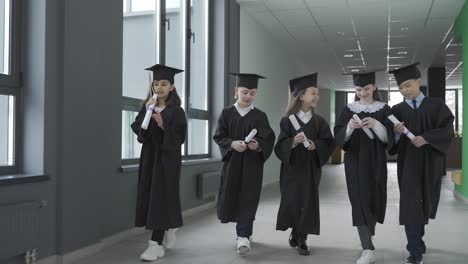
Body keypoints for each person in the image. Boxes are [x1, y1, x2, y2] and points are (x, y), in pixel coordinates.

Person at [389, 63, 454, 264]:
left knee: (425, 203)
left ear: (419, 82)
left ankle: (418, 240)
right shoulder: (397, 110)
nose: (404, 90)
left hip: (431, 163)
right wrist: (397, 134)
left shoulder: (437, 105)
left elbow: (447, 131)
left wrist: (426, 138)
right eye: (400, 87)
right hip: (408, 163)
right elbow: (393, 144)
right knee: (410, 205)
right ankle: (414, 250)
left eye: (408, 85)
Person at [213, 73, 275, 256]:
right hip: (232, 163)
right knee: (232, 196)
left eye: (252, 93)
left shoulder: (260, 116)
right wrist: (231, 144)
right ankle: (243, 233)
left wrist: (258, 146)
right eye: (245, 92)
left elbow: (268, 139)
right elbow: (219, 136)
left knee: (249, 197)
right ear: (236, 91)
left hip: (251, 165)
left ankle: (244, 235)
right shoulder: (226, 113)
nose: (248, 96)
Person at [334, 70, 392, 264]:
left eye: (366, 89)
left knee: (374, 200)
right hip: (355, 162)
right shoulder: (348, 109)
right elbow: (340, 138)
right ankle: (367, 247)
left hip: (376, 162)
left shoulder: (384, 109)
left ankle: (368, 235)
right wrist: (350, 127)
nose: (362, 93)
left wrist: (376, 124)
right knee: (359, 201)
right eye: (359, 89)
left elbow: (388, 140)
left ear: (374, 87)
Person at [131, 64, 187, 261]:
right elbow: (140, 133)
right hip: (149, 158)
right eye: (156, 84)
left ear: (171, 86)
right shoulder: (148, 106)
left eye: (164, 84)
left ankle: (155, 245)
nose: (159, 87)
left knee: (161, 198)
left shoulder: (176, 111)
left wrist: (163, 125)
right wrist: (146, 113)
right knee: (150, 197)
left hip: (167, 160)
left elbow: (180, 138)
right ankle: (170, 225)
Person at [274, 73, 335, 256]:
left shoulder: (320, 121)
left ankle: (302, 238)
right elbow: (280, 145)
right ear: (301, 96)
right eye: (313, 93)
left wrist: (317, 145)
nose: (317, 96)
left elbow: (329, 142)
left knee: (308, 202)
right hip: (292, 168)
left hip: (310, 168)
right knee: (292, 201)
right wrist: (293, 141)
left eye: (317, 93)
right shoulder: (287, 121)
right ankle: (295, 230)